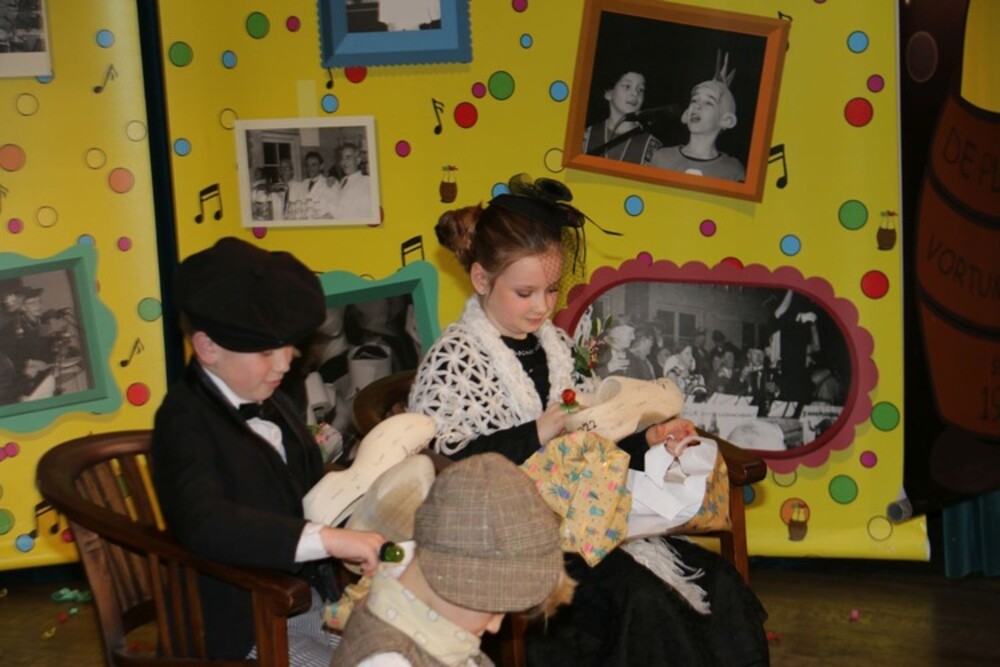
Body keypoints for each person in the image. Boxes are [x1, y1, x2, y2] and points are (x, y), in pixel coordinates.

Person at [408, 174, 769, 666]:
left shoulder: (555, 347)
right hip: (513, 546)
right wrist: (539, 431)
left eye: (552, 290)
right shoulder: (454, 360)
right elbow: (445, 473)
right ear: (481, 280)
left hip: (590, 523)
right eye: (525, 292)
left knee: (717, 583)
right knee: (641, 602)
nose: (542, 306)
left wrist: (649, 437)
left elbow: (597, 442)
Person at [151, 237, 384, 664]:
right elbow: (206, 522)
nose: (284, 363)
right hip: (239, 626)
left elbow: (306, 488)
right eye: (265, 352)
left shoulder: (272, 397)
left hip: (305, 603)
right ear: (208, 348)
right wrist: (326, 540)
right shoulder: (183, 421)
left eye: (289, 346)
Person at [333, 452, 574, 667]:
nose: (495, 627)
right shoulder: (388, 661)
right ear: (459, 579)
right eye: (494, 610)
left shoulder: (419, 614)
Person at [650, 51, 746, 181]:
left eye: (709, 102)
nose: (697, 106)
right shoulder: (661, 158)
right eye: (694, 100)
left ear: (727, 120)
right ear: (686, 114)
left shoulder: (732, 171)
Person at [581, 69, 662, 165]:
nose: (635, 93)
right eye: (627, 86)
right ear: (608, 93)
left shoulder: (652, 147)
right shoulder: (585, 137)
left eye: (640, 89)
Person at [329, 143, 373, 220]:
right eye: (342, 158)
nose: (344, 162)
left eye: (348, 157)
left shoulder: (365, 182)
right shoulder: (344, 180)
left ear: (358, 160)